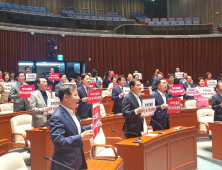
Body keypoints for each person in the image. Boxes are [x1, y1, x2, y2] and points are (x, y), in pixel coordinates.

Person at [49, 85, 93, 170]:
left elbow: (76, 131)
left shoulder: (71, 111)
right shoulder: (57, 116)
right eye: (75, 95)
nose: (78, 98)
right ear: (66, 97)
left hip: (77, 159)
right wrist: (80, 137)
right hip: (65, 163)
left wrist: (91, 126)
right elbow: (58, 142)